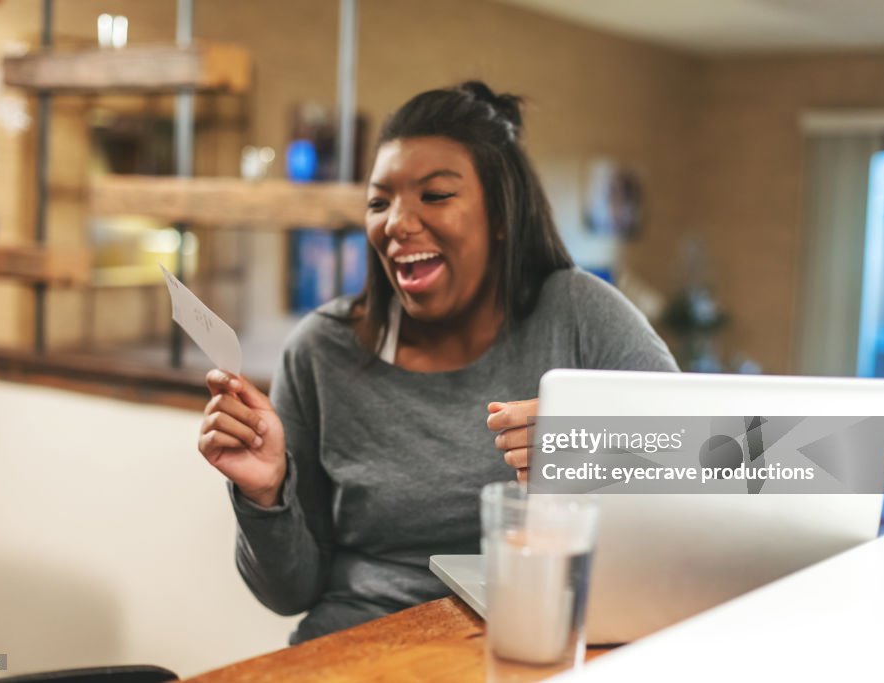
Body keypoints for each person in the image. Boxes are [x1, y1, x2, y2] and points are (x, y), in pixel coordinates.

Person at [197, 81, 678, 644]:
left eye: (435, 195)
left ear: (501, 213)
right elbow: (288, 595)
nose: (397, 223)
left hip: (536, 644)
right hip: (358, 651)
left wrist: (596, 451)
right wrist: (265, 493)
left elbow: (783, 454)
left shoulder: (578, 314)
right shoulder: (321, 352)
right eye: (379, 202)